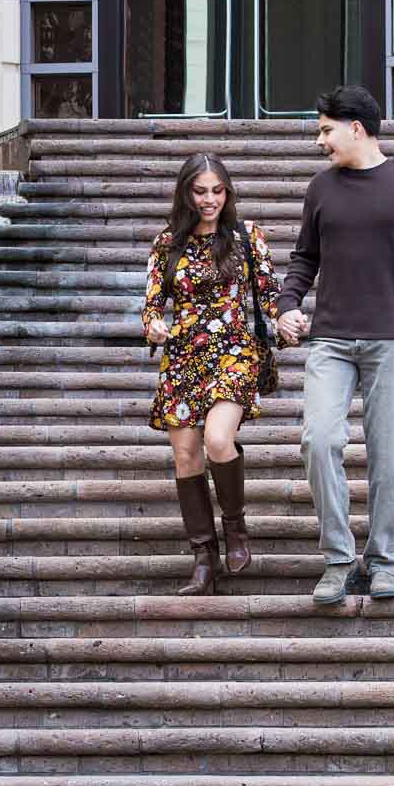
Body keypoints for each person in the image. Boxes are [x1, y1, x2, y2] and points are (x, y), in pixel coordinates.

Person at [276, 83, 394, 605]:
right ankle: (337, 559)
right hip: (330, 339)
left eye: (326, 130)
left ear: (356, 127)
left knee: (389, 455)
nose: (320, 142)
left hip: (390, 340)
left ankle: (381, 562)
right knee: (320, 440)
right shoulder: (321, 189)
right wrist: (288, 304)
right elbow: (304, 257)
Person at [141, 154, 280, 596]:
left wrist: (287, 319)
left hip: (234, 351)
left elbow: (270, 295)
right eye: (201, 191)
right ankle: (204, 558)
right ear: (186, 192)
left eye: (217, 191)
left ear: (228, 192)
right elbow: (150, 304)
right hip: (183, 355)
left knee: (219, 439)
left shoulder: (246, 235)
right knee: (186, 456)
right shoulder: (168, 243)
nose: (209, 200)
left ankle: (235, 528)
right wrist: (153, 325)